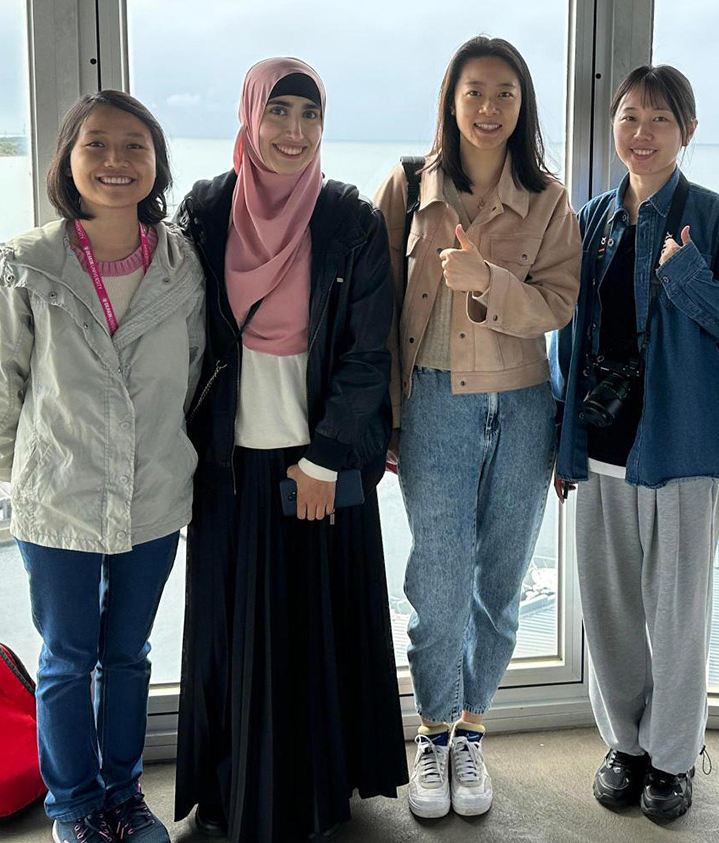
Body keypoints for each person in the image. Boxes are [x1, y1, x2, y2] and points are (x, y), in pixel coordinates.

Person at [171, 57, 406, 841]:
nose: (294, 132)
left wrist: (329, 456)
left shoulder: (347, 219)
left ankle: (312, 793)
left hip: (317, 464)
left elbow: (369, 351)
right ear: (249, 117)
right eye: (279, 112)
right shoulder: (205, 211)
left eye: (310, 115)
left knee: (313, 633)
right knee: (232, 637)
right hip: (228, 466)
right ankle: (233, 791)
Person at [0, 90, 201, 843]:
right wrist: (31, 475)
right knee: (67, 658)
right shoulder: (23, 266)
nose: (116, 161)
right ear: (67, 159)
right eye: (96, 144)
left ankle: (124, 798)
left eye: (134, 145)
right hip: (58, 499)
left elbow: (193, 371)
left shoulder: (180, 261)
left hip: (155, 494)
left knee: (127, 655)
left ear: (156, 160)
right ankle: (73, 808)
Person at [552, 64, 719, 823]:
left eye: (659, 119)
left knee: (677, 615)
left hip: (682, 448)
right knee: (611, 610)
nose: (641, 134)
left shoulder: (713, 218)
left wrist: (685, 276)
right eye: (629, 117)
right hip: (604, 444)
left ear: (687, 130)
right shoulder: (594, 219)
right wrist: (564, 444)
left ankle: (675, 759)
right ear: (613, 127)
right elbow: (571, 336)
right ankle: (626, 745)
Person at [373, 36, 580, 820]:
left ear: (522, 107)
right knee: (437, 582)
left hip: (526, 404)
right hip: (434, 404)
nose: (489, 109)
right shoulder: (406, 187)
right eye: (475, 93)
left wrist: (488, 279)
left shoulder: (548, 197)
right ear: (451, 101)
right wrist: (391, 415)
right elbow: (383, 313)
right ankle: (430, 732)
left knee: (500, 583)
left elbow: (558, 304)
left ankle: (471, 731)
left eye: (505, 95)